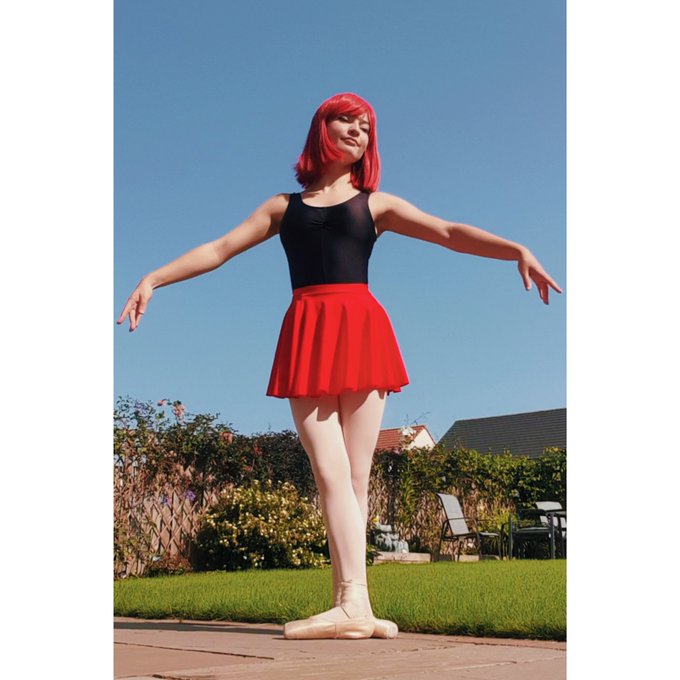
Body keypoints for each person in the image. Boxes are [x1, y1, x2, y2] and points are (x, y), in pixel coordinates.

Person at [117, 92, 562, 641]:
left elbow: (447, 232)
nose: (358, 131)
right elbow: (220, 248)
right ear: (321, 128)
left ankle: (354, 606)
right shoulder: (282, 208)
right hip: (307, 331)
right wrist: (154, 278)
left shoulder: (376, 205)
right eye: (346, 120)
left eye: (366, 126)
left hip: (362, 329)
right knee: (330, 473)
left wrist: (515, 249)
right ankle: (353, 607)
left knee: (354, 477)